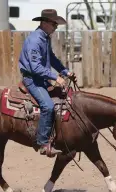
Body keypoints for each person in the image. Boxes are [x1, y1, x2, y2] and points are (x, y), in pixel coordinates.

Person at [18, 9, 77, 157]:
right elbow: (35, 67)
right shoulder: (35, 40)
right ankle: (43, 143)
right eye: (54, 24)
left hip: (41, 78)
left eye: (56, 25)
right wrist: (55, 77)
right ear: (44, 23)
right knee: (48, 106)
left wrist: (65, 72)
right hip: (32, 79)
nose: (55, 27)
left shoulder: (45, 38)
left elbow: (52, 58)